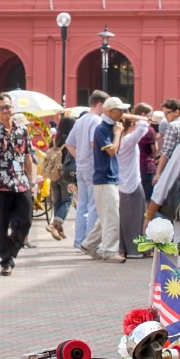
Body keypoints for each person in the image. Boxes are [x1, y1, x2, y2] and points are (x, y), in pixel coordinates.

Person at [0, 93, 37, 276]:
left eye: (8, 107)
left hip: (21, 183)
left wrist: (31, 181)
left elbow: (27, 156)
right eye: (1, 108)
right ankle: (6, 262)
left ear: (12, 107)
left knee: (25, 221)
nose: (6, 110)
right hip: (0, 185)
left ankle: (12, 247)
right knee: (1, 225)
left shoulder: (22, 130)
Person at [79, 98, 126, 263]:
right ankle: (109, 250)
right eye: (119, 110)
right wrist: (118, 133)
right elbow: (112, 150)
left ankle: (89, 244)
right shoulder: (102, 129)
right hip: (105, 178)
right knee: (111, 217)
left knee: (106, 216)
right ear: (109, 111)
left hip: (108, 178)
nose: (122, 113)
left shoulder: (108, 127)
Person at [68, 91, 108, 248]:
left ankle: (79, 241)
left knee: (82, 205)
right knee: (94, 206)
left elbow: (69, 144)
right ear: (100, 104)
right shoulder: (97, 121)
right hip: (93, 167)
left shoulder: (81, 120)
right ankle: (90, 243)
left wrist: (80, 156)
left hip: (81, 166)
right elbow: (94, 144)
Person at [116, 107, 150, 259]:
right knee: (136, 218)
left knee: (124, 219)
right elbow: (144, 124)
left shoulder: (117, 141)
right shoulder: (128, 140)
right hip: (132, 182)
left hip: (122, 183)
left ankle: (124, 248)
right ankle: (134, 249)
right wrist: (131, 116)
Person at [157, 98, 180, 166]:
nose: (165, 116)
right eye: (164, 113)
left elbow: (166, 152)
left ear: (176, 112)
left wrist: (158, 171)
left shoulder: (172, 126)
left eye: (167, 113)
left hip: (173, 165)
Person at [135, 101, 158, 200]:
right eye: (150, 115)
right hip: (147, 167)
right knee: (147, 198)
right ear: (143, 114)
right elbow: (154, 150)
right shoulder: (149, 130)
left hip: (133, 167)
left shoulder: (130, 127)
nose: (151, 118)